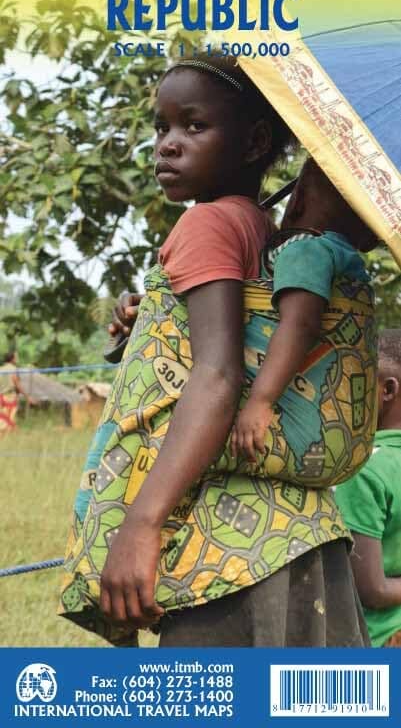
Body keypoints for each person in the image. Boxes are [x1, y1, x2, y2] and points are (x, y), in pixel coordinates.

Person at [59, 54, 369, 648]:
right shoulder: (260, 229)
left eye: (194, 126)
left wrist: (142, 524)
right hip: (295, 530)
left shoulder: (206, 226)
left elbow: (219, 375)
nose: (168, 145)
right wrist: (151, 315)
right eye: (161, 127)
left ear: (255, 142)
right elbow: (244, 336)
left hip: (222, 545)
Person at [230, 157, 378, 484]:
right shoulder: (348, 262)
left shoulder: (306, 250)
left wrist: (260, 401)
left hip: (286, 422)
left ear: (296, 201)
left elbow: (300, 323)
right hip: (339, 440)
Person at [336, 330, 401, 647]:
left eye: (356, 382)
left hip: (377, 639)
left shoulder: (363, 470)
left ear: (387, 390)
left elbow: (373, 591)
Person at [0, 349, 26, 433]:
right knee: (10, 415)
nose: (17, 359)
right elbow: (17, 384)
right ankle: (10, 430)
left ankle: (7, 431)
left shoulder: (1, 369)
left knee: (4, 416)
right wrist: (26, 395)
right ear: (12, 359)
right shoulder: (14, 369)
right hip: (10, 396)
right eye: (16, 357)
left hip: (2, 396)